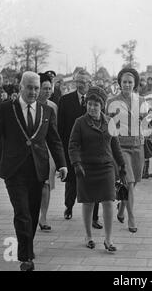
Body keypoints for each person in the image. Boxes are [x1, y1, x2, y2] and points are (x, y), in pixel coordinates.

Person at [0, 71, 68, 271]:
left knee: (32, 211)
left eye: (36, 88)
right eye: (29, 87)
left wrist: (62, 164)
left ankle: (27, 248)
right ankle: (26, 257)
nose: (33, 92)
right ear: (21, 87)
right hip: (14, 170)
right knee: (22, 212)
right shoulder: (6, 109)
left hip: (38, 169)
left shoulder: (46, 111)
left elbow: (54, 140)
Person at [69, 86, 126, 252]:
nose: (92, 107)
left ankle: (108, 239)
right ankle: (88, 235)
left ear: (102, 106)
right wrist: (76, 163)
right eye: (90, 104)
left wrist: (122, 165)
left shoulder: (109, 122)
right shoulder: (79, 123)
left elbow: (115, 146)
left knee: (108, 201)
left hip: (106, 167)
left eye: (96, 105)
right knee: (88, 202)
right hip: (86, 168)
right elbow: (73, 145)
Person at [57, 70, 102, 229]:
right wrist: (61, 152)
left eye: (83, 81)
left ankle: (94, 217)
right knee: (71, 182)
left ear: (90, 82)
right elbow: (60, 128)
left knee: (94, 182)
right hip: (72, 147)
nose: (80, 84)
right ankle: (68, 206)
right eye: (78, 81)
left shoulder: (95, 101)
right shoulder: (65, 100)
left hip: (91, 148)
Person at [106, 68, 147, 233]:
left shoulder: (142, 101)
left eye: (130, 82)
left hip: (138, 146)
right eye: (124, 82)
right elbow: (109, 125)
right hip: (121, 146)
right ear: (120, 83)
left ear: (135, 83)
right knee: (129, 182)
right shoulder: (111, 101)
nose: (127, 85)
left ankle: (122, 207)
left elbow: (145, 123)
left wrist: (149, 133)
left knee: (133, 182)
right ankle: (131, 218)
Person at [37, 73, 58, 231]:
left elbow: (55, 132)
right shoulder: (31, 105)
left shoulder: (53, 107)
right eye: (44, 88)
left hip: (48, 149)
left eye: (49, 88)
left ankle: (43, 216)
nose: (47, 91)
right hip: (33, 149)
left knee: (47, 182)